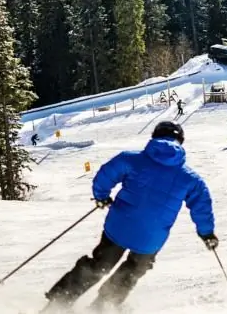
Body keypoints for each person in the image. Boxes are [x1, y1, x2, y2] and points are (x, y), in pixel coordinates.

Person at [42, 122, 217, 312]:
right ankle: (101, 308)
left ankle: (58, 303)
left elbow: (106, 174)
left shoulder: (131, 159)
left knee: (99, 264)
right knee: (131, 272)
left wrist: (101, 196)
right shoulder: (191, 179)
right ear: (181, 142)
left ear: (154, 137)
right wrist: (207, 234)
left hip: (119, 226)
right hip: (151, 238)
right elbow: (202, 207)